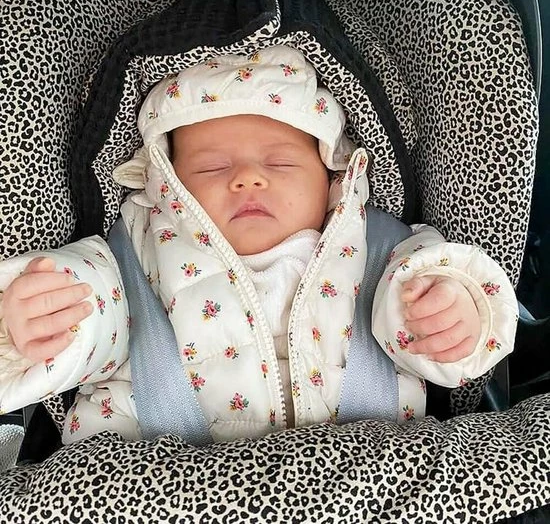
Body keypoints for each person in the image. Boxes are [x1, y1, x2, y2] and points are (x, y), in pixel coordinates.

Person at [0, 45, 517, 444]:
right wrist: (33, 320)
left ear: (332, 177)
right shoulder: (128, 259)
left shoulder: (382, 252)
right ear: (164, 185)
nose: (248, 178)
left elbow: (432, 301)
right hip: (162, 487)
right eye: (213, 167)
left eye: (280, 162)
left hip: (368, 481)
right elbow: (90, 310)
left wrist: (456, 313)